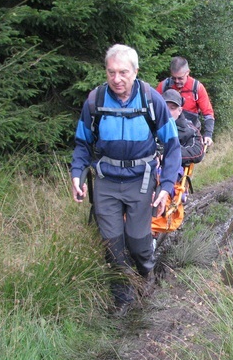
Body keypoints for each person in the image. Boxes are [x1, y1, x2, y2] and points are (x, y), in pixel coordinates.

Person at [70, 44, 181, 315]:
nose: (117, 79)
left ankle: (145, 276)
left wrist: (166, 186)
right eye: (111, 72)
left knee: (138, 241)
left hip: (140, 181)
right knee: (112, 244)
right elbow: (82, 144)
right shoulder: (95, 101)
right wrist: (77, 175)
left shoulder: (151, 100)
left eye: (123, 72)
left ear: (135, 71)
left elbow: (173, 146)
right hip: (107, 181)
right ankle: (123, 299)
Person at [157, 56, 215, 147]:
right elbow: (154, 109)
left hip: (190, 135)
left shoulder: (197, 88)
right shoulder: (164, 86)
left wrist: (208, 134)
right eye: (174, 78)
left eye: (180, 78)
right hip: (167, 132)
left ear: (187, 72)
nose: (176, 81)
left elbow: (208, 114)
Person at [161, 89, 206, 166]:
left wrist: (169, 153)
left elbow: (198, 152)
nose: (168, 112)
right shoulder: (150, 126)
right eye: (165, 107)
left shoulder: (190, 130)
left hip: (175, 169)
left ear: (180, 110)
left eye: (172, 108)